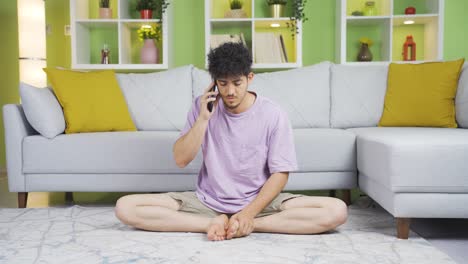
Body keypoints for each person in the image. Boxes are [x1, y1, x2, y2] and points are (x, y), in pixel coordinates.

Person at [115, 42, 347, 241]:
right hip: (208, 203)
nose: (230, 91)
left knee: (336, 211)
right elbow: (181, 159)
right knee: (125, 207)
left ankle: (245, 225)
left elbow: (280, 173)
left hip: (258, 203)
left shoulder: (273, 114)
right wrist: (204, 118)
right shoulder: (202, 106)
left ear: (250, 78)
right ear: (214, 82)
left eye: (237, 82)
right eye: (223, 83)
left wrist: (249, 215)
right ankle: (210, 224)